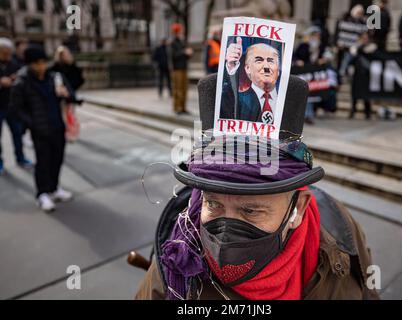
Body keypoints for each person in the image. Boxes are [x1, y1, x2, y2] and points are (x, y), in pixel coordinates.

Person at [134, 74, 379, 300]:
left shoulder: (341, 231)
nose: (225, 234)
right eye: (212, 203)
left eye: (250, 211)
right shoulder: (175, 262)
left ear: (299, 208)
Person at [10, 45, 74, 212]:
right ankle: (42, 194)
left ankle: (54, 188)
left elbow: (71, 95)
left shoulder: (54, 78)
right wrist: (31, 123)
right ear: (29, 64)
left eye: (43, 62)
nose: (41, 66)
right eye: (37, 63)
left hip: (57, 126)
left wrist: (66, 94)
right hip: (39, 130)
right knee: (43, 162)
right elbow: (16, 109)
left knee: (57, 159)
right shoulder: (22, 82)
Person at [221, 39, 280, 124]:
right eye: (259, 60)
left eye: (271, 61)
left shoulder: (287, 100)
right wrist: (231, 67)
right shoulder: (238, 99)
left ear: (278, 71)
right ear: (247, 68)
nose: (266, 67)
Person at [0, 38, 32, 175]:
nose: (7, 54)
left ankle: (21, 158)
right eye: (4, 52)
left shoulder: (14, 64)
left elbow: (23, 80)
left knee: (17, 134)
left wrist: (14, 80)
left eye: (8, 52)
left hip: (12, 106)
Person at [348, 32, 377, 120]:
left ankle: (367, 113)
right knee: (355, 94)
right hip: (357, 74)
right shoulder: (355, 48)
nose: (364, 40)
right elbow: (352, 59)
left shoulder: (371, 48)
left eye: (366, 38)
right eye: (362, 38)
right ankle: (353, 111)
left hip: (366, 74)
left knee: (366, 95)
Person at [170, 23, 193, 115]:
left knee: (184, 88)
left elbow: (184, 55)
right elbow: (173, 56)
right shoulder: (173, 42)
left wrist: (188, 54)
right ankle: (177, 107)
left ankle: (183, 107)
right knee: (178, 88)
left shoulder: (182, 42)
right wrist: (184, 52)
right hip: (176, 69)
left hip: (183, 67)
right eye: (179, 31)